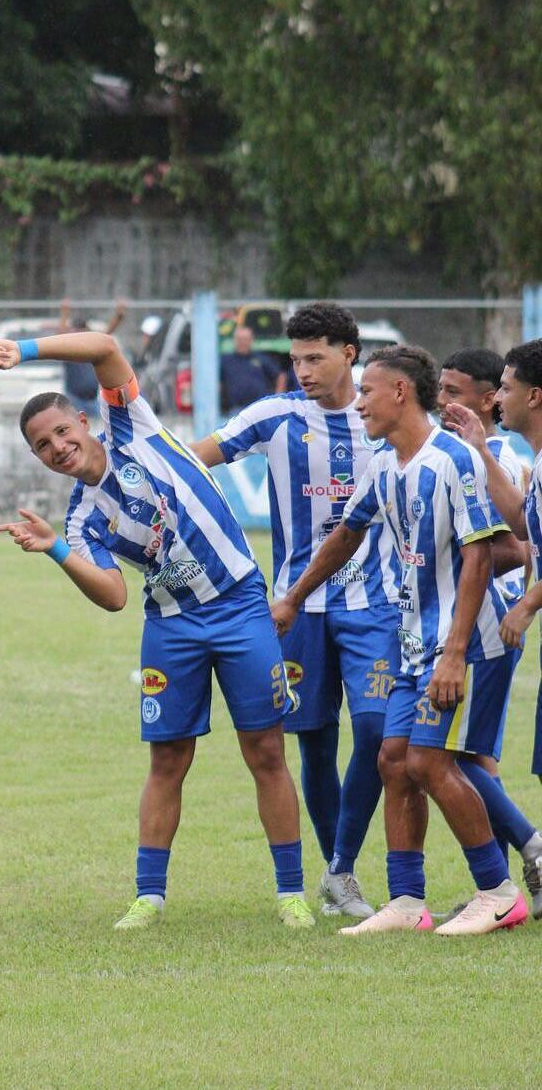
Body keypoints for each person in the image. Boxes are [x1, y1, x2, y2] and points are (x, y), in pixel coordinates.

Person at [0, 329, 315, 930]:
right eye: (43, 447)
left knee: (264, 751)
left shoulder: (131, 426)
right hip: (171, 626)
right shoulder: (80, 517)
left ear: (85, 420)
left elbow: (103, 345)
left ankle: (291, 893)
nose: (58, 447)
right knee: (167, 760)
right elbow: (114, 595)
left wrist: (22, 351)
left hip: (239, 606)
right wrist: (55, 550)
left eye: (62, 432)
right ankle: (148, 896)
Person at [272, 345, 528, 935]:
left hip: (463, 642)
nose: (358, 403)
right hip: (412, 640)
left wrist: (455, 653)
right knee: (393, 760)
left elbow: (478, 555)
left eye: (367, 391)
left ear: (400, 394)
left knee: (430, 761)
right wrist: (293, 597)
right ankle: (408, 902)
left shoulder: (453, 459)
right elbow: (346, 535)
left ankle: (498, 890)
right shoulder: (384, 466)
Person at [192, 302, 399, 918]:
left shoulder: (382, 418)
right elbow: (190, 459)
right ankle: (342, 879)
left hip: (375, 601)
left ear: (349, 354)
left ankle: (339, 868)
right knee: (313, 742)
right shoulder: (276, 416)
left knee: (374, 731)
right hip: (295, 606)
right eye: (296, 359)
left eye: (316, 357)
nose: (303, 370)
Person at [442, 339, 542, 917]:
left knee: (442, 756)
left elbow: (512, 547)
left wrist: (526, 603)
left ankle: (524, 858)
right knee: (469, 758)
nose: (443, 404)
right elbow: (525, 523)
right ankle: (502, 883)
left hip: (488, 625)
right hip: (483, 623)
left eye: (503, 388)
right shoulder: (506, 457)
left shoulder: (507, 456)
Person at [58, 298, 127, 415]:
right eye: (76, 330)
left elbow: (107, 334)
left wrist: (119, 315)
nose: (78, 333)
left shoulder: (91, 347)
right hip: (74, 399)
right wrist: (64, 313)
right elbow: (61, 337)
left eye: (81, 329)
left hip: (92, 400)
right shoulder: (69, 349)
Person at [219, 325, 286, 412]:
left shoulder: (261, 358)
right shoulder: (225, 360)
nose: (242, 342)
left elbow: (280, 376)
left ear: (252, 340)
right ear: (234, 340)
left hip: (260, 409)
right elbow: (215, 382)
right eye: (240, 339)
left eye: (246, 339)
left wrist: (278, 399)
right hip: (236, 411)